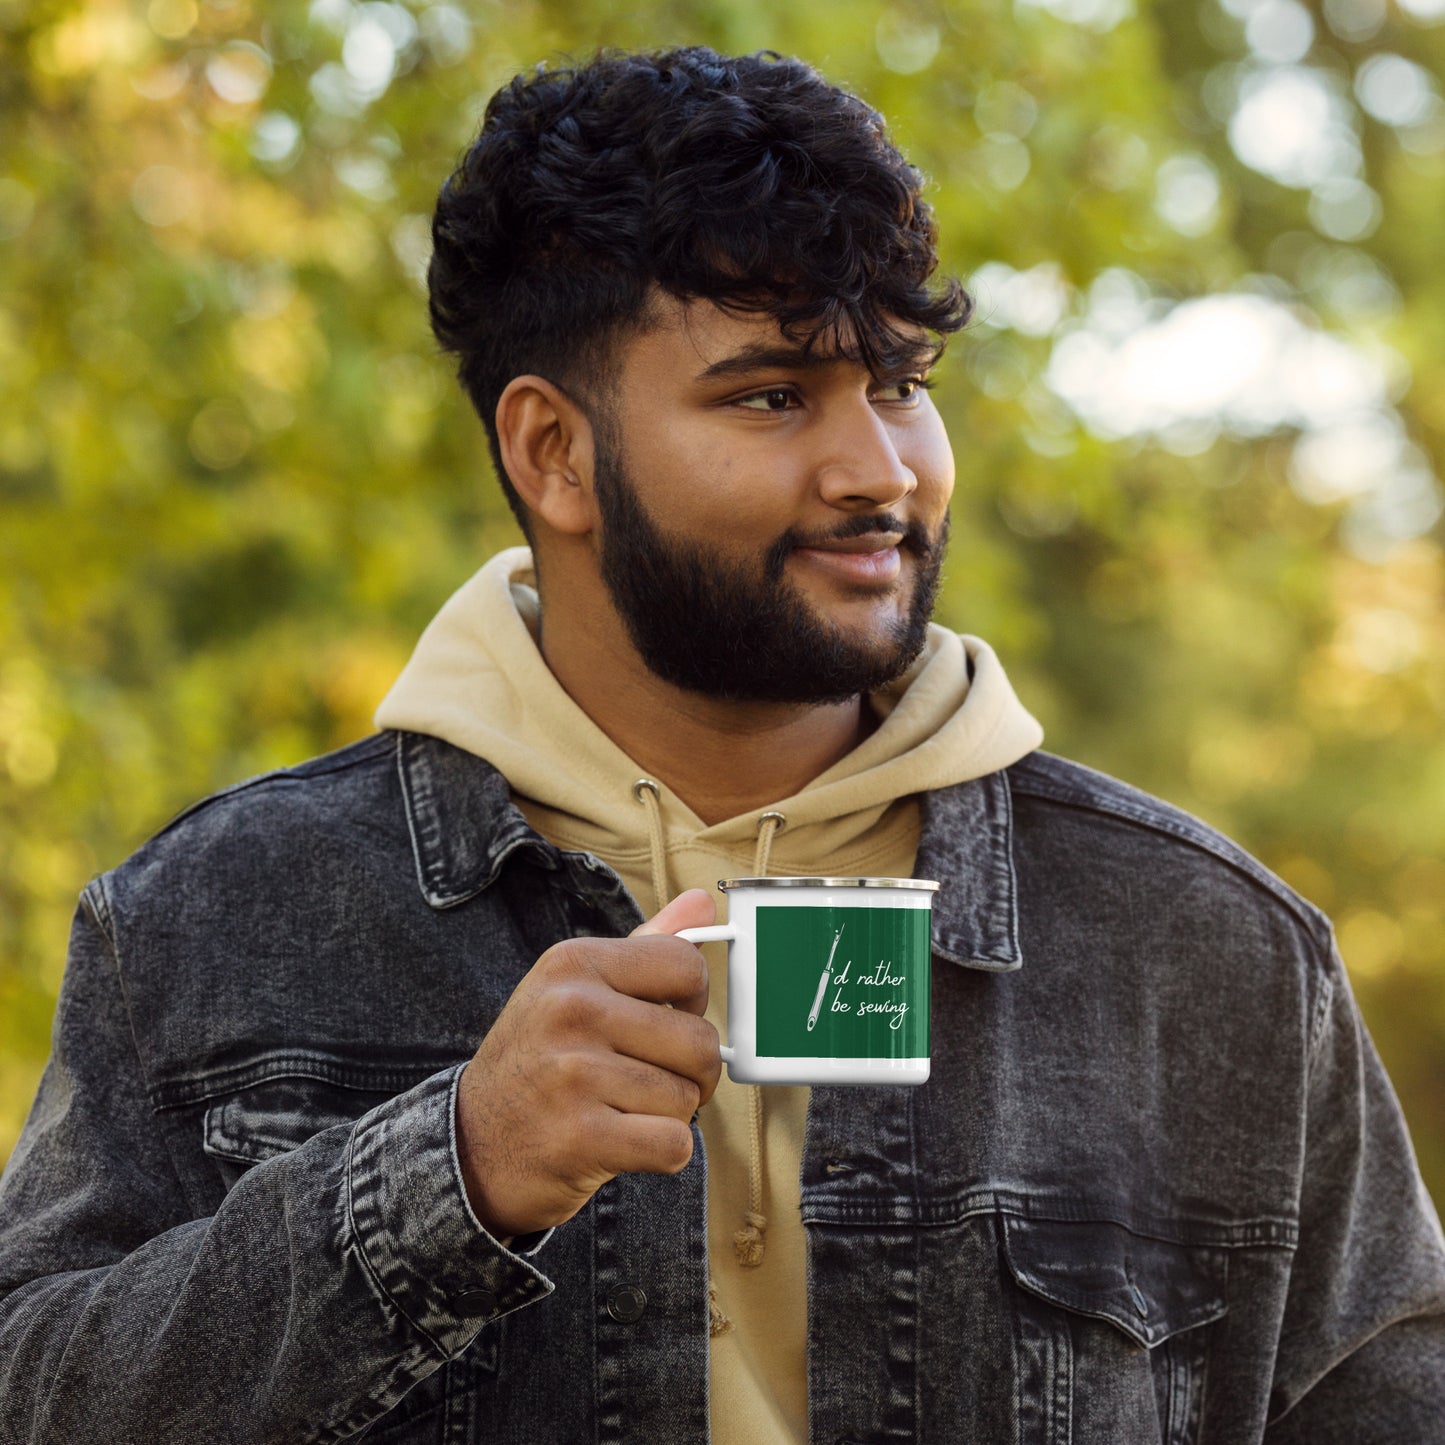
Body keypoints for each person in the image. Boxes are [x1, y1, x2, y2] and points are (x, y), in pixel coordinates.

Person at [1, 44, 1442, 1445]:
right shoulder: (208, 919)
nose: (878, 470)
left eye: (899, 381)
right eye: (771, 393)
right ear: (551, 452)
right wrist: (444, 1176)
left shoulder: (1210, 951)